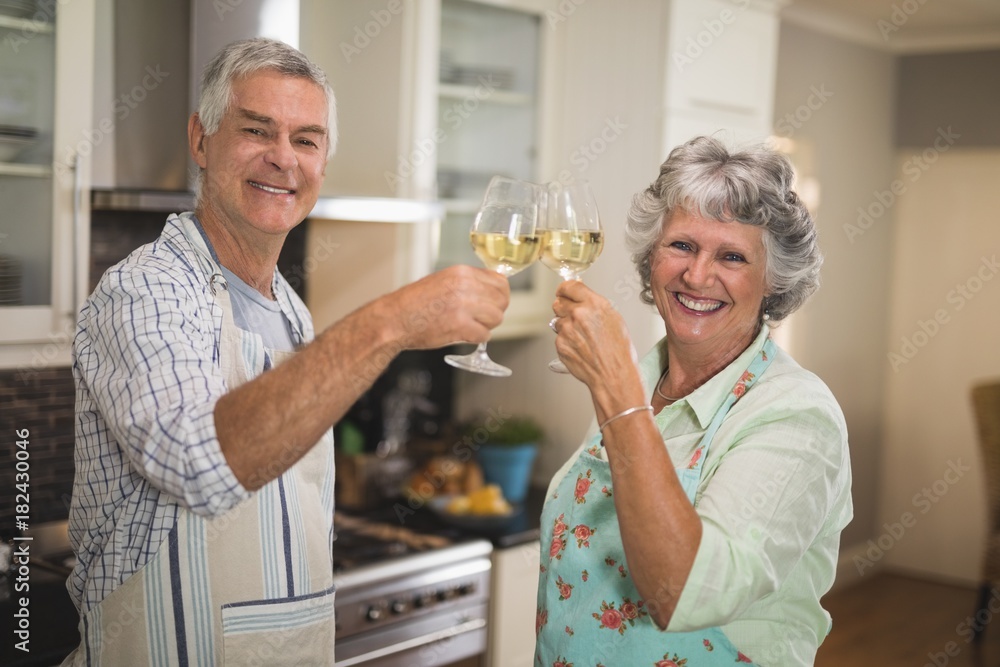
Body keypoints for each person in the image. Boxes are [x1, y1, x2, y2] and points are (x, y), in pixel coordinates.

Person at [64, 37, 509, 665]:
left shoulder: (292, 312)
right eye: (256, 131)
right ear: (200, 140)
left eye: (306, 140)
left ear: (324, 160)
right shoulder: (147, 289)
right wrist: (389, 324)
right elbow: (195, 462)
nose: (283, 159)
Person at [536, 135, 852, 666]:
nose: (698, 275)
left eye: (732, 256)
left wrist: (615, 392)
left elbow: (683, 594)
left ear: (772, 282)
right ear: (651, 257)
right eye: (682, 245)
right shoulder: (642, 381)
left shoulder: (797, 417)